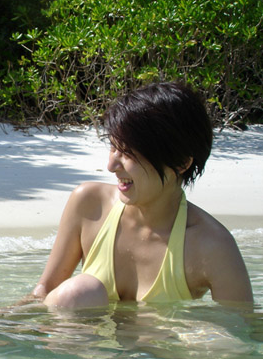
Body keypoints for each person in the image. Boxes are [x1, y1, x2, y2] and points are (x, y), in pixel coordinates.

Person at [20, 82, 253, 309]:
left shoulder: (211, 245)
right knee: (78, 292)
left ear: (181, 163)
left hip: (156, 344)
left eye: (128, 153)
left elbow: (241, 330)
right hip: (82, 344)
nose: (111, 165)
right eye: (113, 147)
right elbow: (43, 291)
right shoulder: (90, 205)